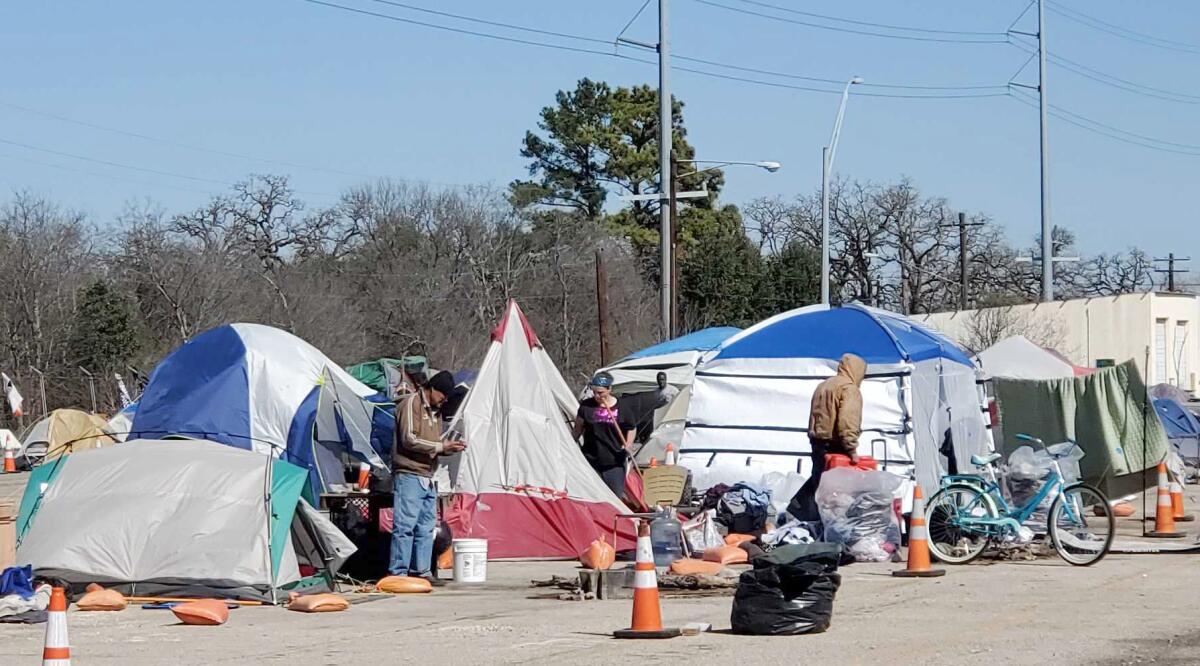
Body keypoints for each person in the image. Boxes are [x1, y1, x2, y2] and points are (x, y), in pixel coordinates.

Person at [390, 370, 466, 586]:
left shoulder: (436, 411)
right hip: (409, 473)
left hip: (428, 474)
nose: (443, 400)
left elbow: (432, 443)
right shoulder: (410, 404)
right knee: (405, 526)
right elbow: (409, 438)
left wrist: (448, 448)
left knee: (425, 527)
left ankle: (422, 571)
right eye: (442, 395)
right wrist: (441, 446)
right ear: (432, 389)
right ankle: (398, 572)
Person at [787, 353, 866, 522]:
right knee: (834, 494)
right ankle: (825, 526)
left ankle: (803, 516)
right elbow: (848, 421)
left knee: (819, 483)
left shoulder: (824, 385)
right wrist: (851, 448)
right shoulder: (849, 389)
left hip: (817, 441)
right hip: (836, 445)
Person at [574, 371, 635, 497]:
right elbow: (577, 429)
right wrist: (570, 444)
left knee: (614, 497)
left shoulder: (622, 406)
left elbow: (631, 427)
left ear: (609, 389)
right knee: (590, 496)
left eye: (600, 392)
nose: (597, 396)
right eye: (594, 392)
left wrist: (629, 444)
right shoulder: (586, 406)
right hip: (590, 460)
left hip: (614, 461)